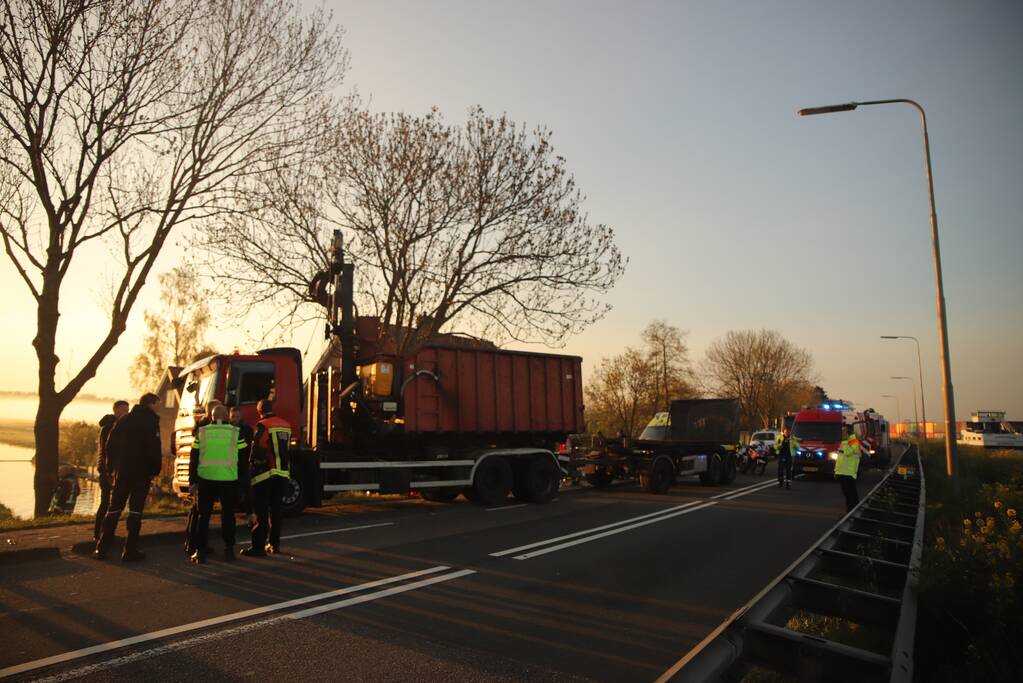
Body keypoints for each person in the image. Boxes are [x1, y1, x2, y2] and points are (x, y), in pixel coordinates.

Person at [94, 393, 162, 561]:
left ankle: (101, 547)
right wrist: (154, 470)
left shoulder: (124, 420)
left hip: (122, 473)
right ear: (150, 404)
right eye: (157, 404)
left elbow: (110, 444)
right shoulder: (151, 422)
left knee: (114, 509)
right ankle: (130, 550)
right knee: (135, 511)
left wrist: (111, 468)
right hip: (141, 474)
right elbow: (154, 448)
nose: (158, 407)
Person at [188, 404, 248, 564]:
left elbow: (193, 459)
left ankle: (200, 553)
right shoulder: (236, 433)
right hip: (229, 480)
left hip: (206, 480)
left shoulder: (202, 432)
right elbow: (244, 460)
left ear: (212, 416)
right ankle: (229, 551)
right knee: (228, 516)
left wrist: (192, 481)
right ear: (227, 416)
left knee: (203, 516)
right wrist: (243, 482)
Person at [241, 400, 291, 557]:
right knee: (276, 512)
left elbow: (259, 449)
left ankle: (258, 547)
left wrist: (253, 466)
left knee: (262, 512)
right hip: (282, 474)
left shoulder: (263, 425)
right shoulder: (285, 424)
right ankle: (274, 545)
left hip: (265, 475)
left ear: (259, 411)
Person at [94, 400, 129, 540]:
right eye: (124, 410)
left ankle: (105, 532)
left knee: (110, 503)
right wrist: (108, 471)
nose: (126, 413)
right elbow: (107, 450)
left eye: (128, 410)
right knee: (106, 503)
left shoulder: (115, 426)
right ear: (116, 410)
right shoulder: (109, 427)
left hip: (111, 470)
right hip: (108, 471)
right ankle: (99, 533)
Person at [835, 423, 863, 512]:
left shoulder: (854, 442)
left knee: (851, 494)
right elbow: (840, 458)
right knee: (847, 494)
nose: (841, 433)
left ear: (848, 433)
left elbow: (847, 453)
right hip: (842, 473)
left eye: (843, 431)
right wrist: (836, 471)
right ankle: (849, 512)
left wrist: (845, 441)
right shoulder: (844, 442)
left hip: (849, 473)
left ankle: (853, 512)